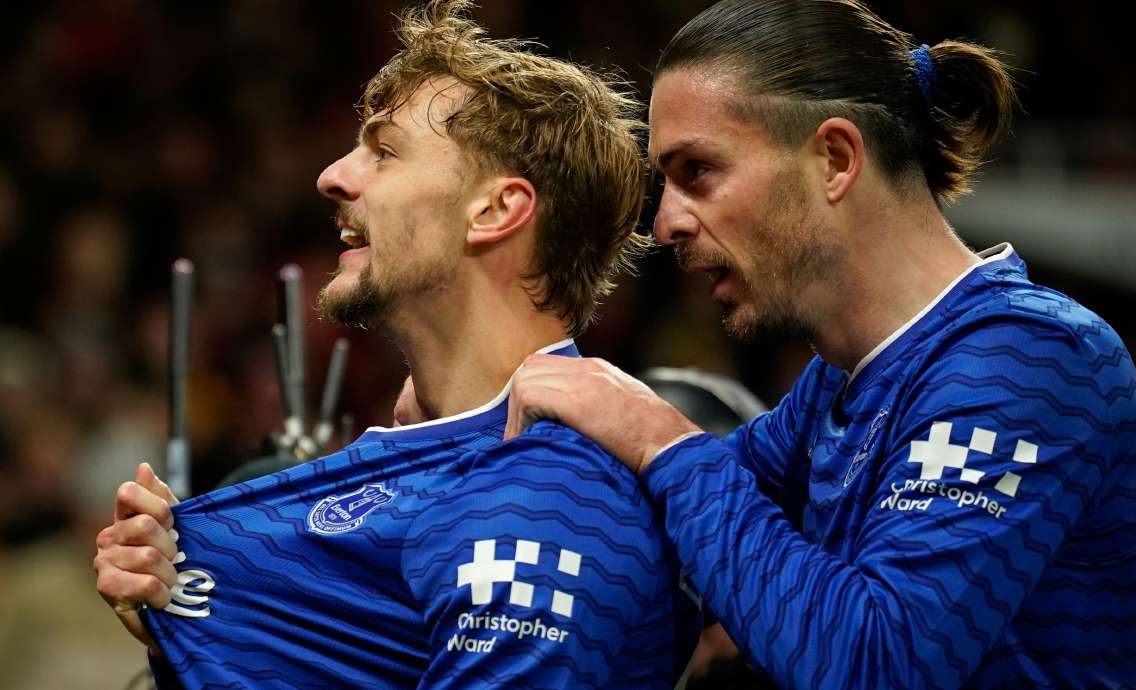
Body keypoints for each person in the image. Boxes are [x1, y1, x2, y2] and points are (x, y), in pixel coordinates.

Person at [504, 0, 1136, 687]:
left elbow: (874, 665)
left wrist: (658, 437)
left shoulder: (1032, 358)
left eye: (696, 171)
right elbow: (642, 523)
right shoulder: (841, 382)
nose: (665, 222)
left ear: (835, 159)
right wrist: (454, 428)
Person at [91, 1, 701, 687]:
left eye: (384, 151)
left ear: (496, 210)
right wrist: (195, 624)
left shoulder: (551, 499)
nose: (333, 176)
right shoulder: (413, 470)